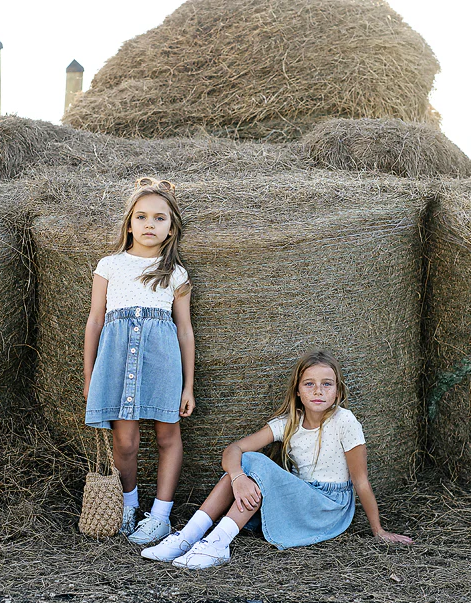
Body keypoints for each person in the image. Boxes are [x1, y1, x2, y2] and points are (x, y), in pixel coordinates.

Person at [142, 350, 413, 569]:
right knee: (242, 467)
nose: (318, 391)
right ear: (298, 391)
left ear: (338, 392)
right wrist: (238, 478)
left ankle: (217, 543)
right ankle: (188, 536)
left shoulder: (345, 421)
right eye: (309, 384)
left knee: (253, 461)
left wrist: (378, 530)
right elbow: (233, 449)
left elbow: (361, 481)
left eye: (326, 384)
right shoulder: (288, 423)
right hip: (300, 499)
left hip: (328, 508)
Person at [84, 177, 195, 545]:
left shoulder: (175, 273)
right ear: (129, 224)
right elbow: (95, 322)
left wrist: (188, 386)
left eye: (160, 218)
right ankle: (128, 506)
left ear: (171, 228)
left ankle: (160, 516)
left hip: (162, 362)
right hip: (117, 361)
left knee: (168, 436)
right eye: (142, 216)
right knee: (126, 442)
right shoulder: (109, 265)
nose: (150, 224)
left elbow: (184, 331)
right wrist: (89, 376)